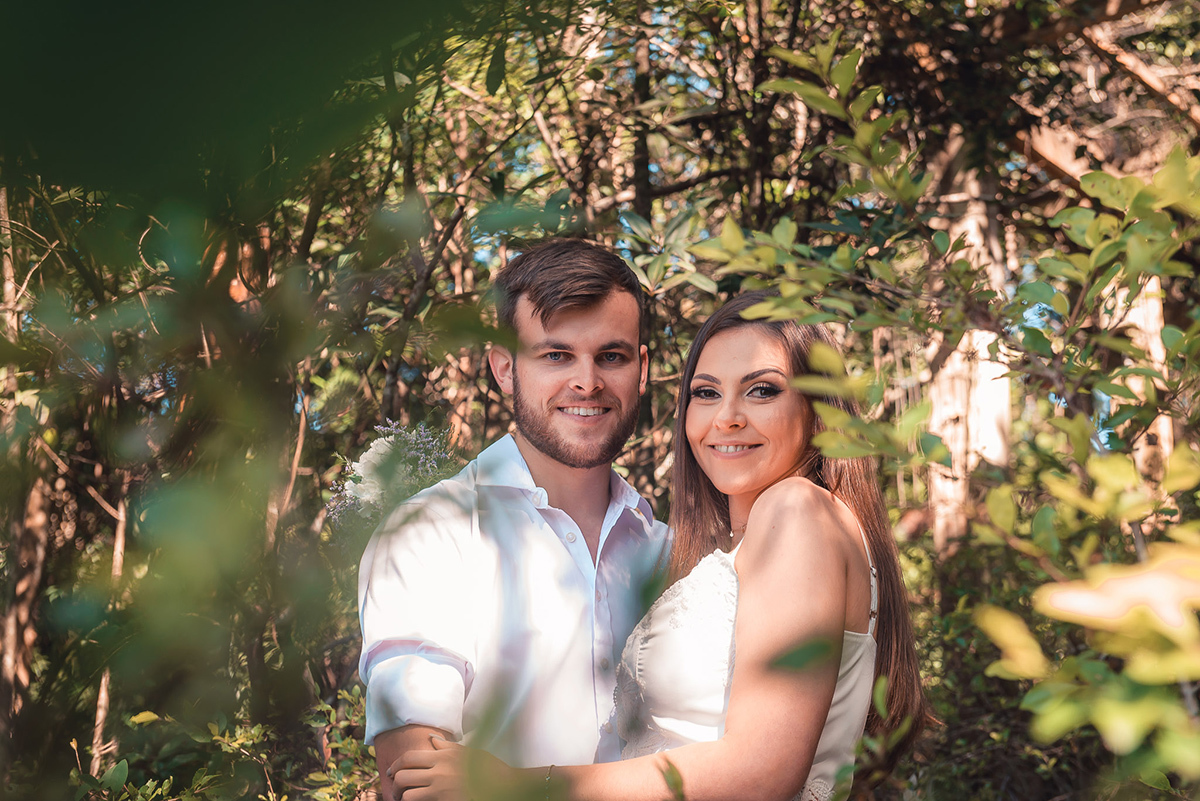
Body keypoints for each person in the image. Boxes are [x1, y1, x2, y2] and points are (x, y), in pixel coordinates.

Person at [389, 290, 928, 801]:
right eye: (706, 393)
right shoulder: (734, 546)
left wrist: (521, 786)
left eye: (762, 390)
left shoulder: (797, 510)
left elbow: (764, 769)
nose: (728, 417)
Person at [357, 239, 671, 801]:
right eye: (556, 356)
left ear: (641, 369)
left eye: (611, 356)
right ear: (504, 368)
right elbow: (413, 781)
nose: (588, 382)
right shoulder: (431, 535)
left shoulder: (668, 551)